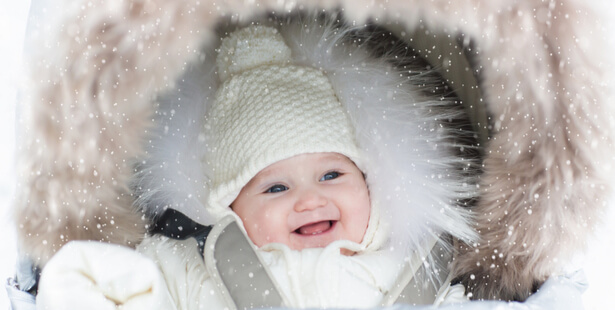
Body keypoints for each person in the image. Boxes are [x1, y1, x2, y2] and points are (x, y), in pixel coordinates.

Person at [33, 20, 586, 310]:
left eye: (332, 174)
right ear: (227, 209)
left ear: (372, 182)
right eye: (273, 187)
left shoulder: (420, 263)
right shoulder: (188, 269)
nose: (308, 198)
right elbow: (108, 281)